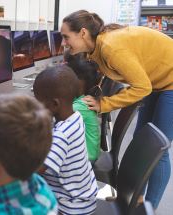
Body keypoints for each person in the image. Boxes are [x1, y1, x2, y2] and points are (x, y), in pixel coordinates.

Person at [61, 9, 173, 209]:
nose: (64, 43)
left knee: (158, 149)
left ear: (83, 33)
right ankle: (137, 199)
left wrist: (104, 105)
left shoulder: (111, 47)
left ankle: (149, 208)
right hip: (157, 81)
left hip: (169, 82)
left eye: (66, 37)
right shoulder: (97, 48)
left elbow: (142, 87)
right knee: (141, 139)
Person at [33, 65, 98, 215]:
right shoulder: (75, 118)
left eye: (37, 101)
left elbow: (34, 173)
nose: (35, 106)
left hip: (70, 208)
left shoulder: (61, 136)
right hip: (84, 199)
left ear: (55, 104)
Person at [65, 52, 102, 162]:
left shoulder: (80, 106)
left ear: (78, 82)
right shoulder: (85, 98)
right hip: (90, 152)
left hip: (88, 157)